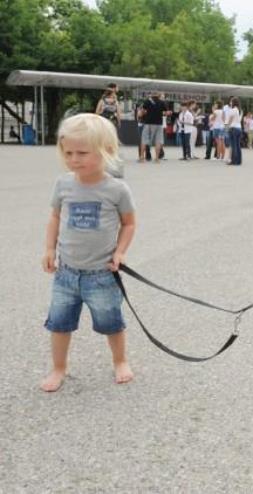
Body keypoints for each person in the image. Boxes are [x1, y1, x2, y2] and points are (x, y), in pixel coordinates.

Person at [41, 113, 136, 392]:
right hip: (66, 273)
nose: (73, 159)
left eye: (82, 152)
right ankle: (59, 367)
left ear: (106, 151)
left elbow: (129, 223)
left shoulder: (116, 189)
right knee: (59, 324)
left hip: (102, 275)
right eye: (67, 152)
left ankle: (120, 360)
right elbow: (55, 218)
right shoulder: (64, 184)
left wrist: (120, 252)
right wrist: (48, 248)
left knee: (111, 323)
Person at [138, 92, 169, 163]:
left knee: (144, 140)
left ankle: (142, 158)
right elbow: (166, 112)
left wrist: (144, 113)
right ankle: (157, 159)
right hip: (158, 124)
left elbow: (143, 110)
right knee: (158, 141)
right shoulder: (162, 102)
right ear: (158, 96)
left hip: (148, 123)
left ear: (152, 96)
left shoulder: (147, 101)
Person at [226, 97, 243, 165]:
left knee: (233, 145)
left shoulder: (233, 110)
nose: (230, 103)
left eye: (231, 101)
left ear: (233, 102)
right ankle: (238, 161)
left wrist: (227, 127)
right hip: (239, 128)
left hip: (233, 128)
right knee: (238, 145)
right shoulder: (239, 110)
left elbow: (230, 119)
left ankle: (234, 161)